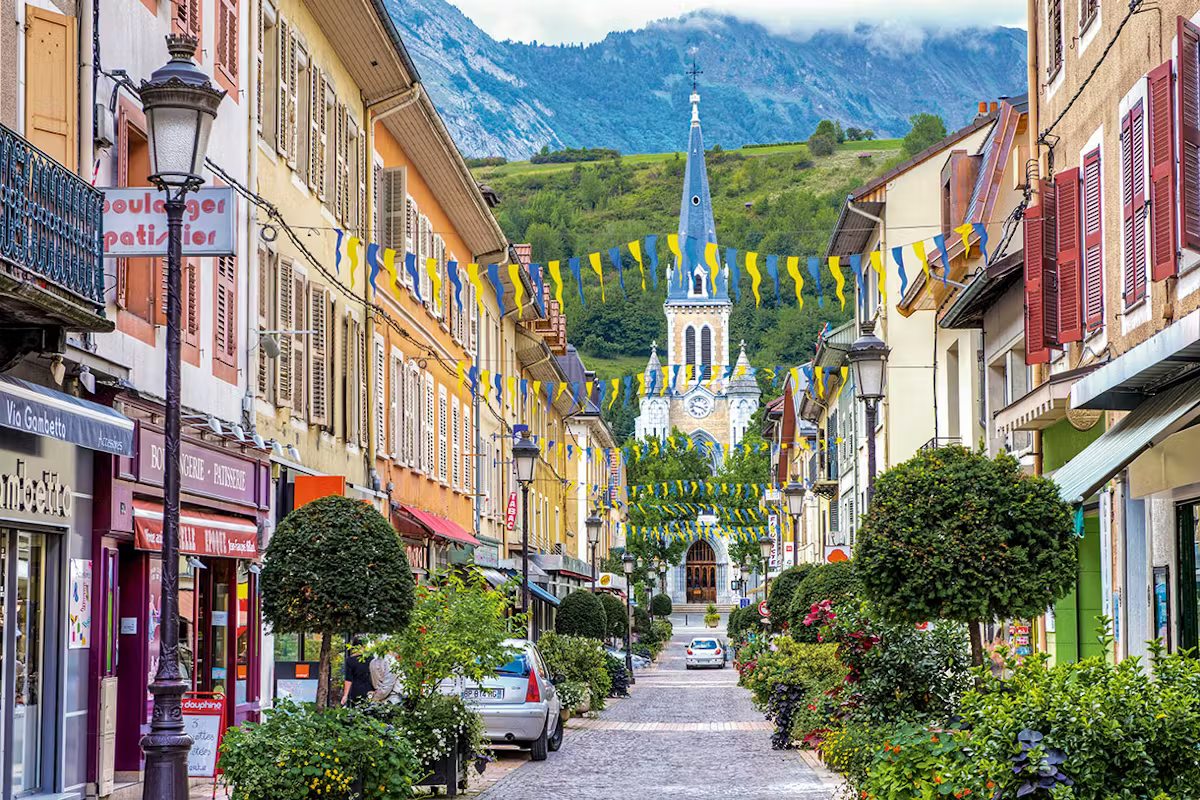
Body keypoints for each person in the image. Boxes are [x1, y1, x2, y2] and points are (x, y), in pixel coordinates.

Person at [341, 636, 373, 707]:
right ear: (364, 646)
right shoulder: (371, 658)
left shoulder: (350, 660)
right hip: (369, 689)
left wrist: (345, 695)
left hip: (356, 690)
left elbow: (348, 679)